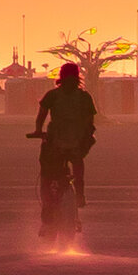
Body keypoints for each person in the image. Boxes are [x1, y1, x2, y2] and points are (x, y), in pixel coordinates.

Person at [33, 61, 98, 207]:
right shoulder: (84, 97)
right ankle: (80, 195)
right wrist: (86, 135)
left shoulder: (53, 95)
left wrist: (38, 130)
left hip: (56, 142)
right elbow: (90, 121)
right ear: (77, 77)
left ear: (61, 76)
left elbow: (41, 116)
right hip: (77, 143)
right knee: (78, 167)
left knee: (46, 172)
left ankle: (47, 204)